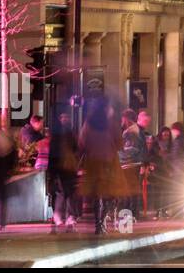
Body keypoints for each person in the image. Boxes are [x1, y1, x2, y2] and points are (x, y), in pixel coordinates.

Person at [79, 98, 130, 234]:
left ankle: (98, 224)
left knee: (96, 194)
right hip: (109, 163)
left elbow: (82, 142)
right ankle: (102, 221)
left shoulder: (88, 123)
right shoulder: (111, 124)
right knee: (112, 193)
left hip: (93, 163)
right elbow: (119, 144)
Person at [47, 112, 79, 231]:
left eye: (67, 117)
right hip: (64, 168)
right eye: (63, 117)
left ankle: (61, 216)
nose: (65, 119)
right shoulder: (69, 134)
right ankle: (66, 216)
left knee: (64, 192)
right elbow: (76, 149)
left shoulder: (62, 135)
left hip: (65, 168)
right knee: (66, 192)